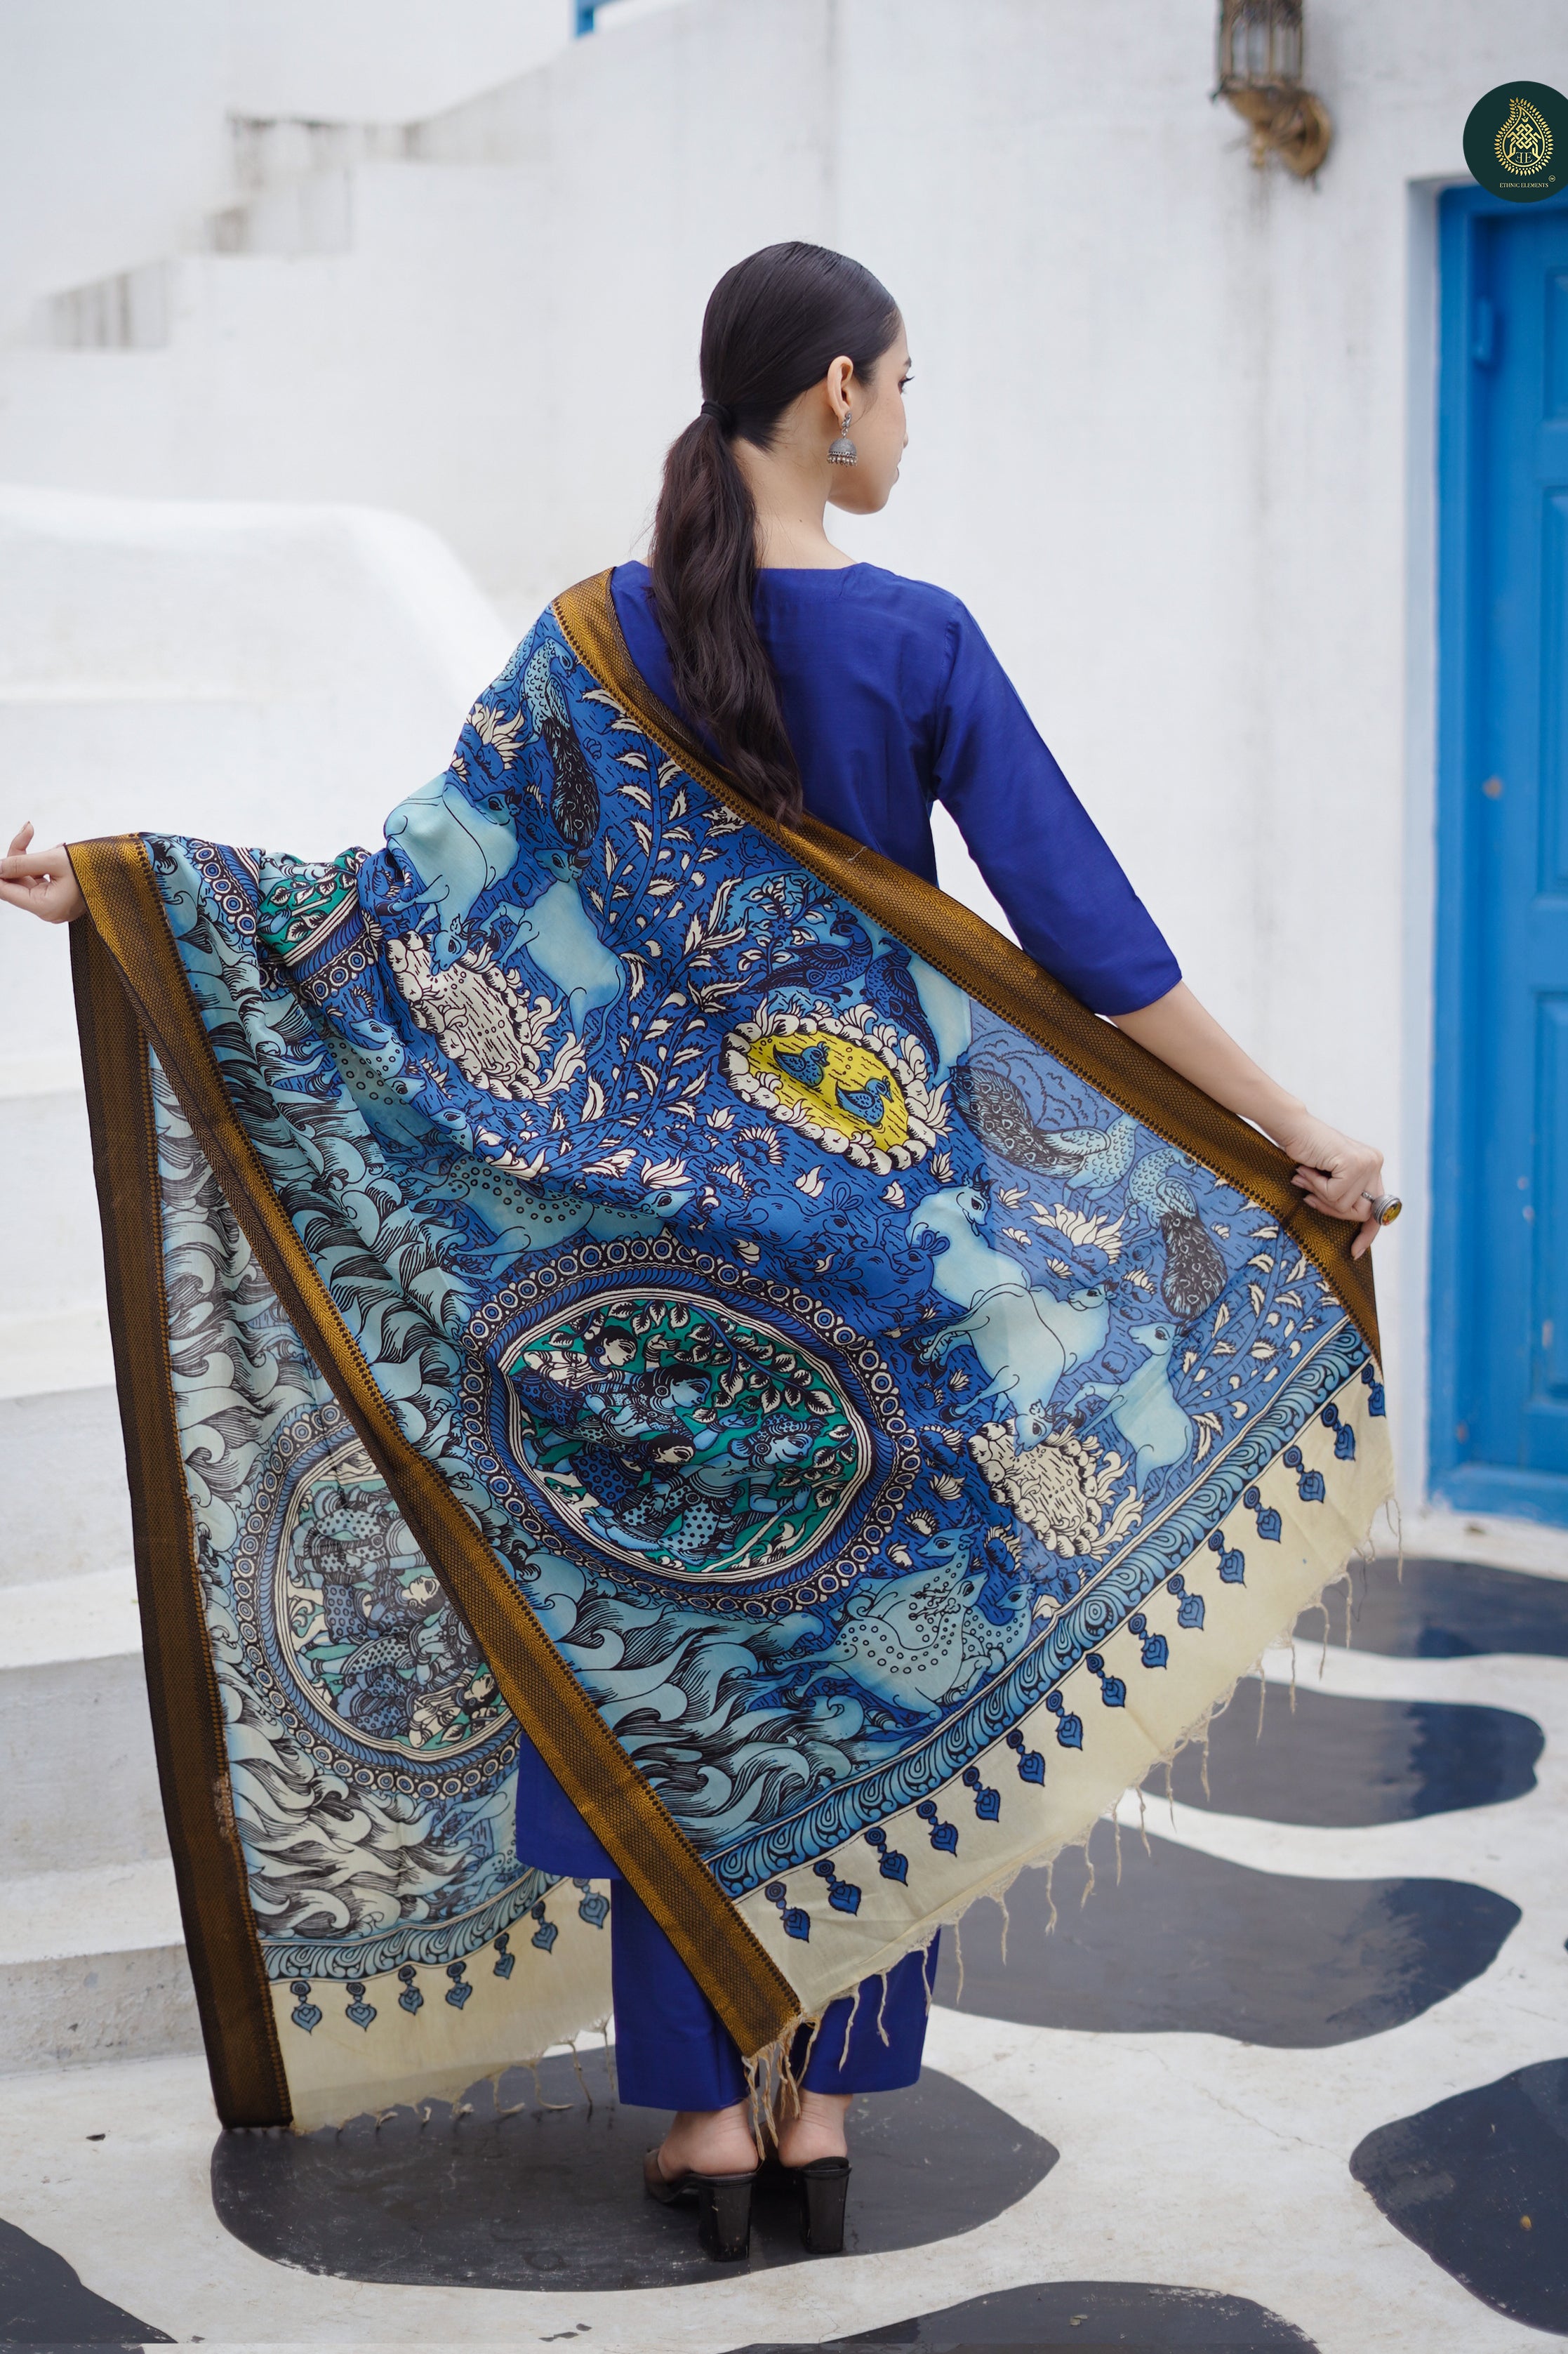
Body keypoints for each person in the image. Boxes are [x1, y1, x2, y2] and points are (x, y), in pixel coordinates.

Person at [1, 241, 1390, 2259]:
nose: (908, 424)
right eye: (905, 384)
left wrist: (131, 884)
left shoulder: (589, 641)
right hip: (897, 1261)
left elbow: (412, 906)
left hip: (653, 1286)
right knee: (887, 1663)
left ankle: (702, 2126)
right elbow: (1093, 943)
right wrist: (1293, 1131)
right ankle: (818, 2104)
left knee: (672, 1667)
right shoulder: (916, 638)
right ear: (837, 392)